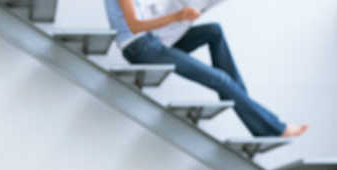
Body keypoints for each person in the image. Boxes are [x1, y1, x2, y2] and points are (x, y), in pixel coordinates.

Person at [104, 0, 308, 137]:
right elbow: (135, 25)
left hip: (152, 42)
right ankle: (273, 128)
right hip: (142, 48)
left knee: (213, 31)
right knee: (220, 79)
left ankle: (244, 101)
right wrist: (178, 16)